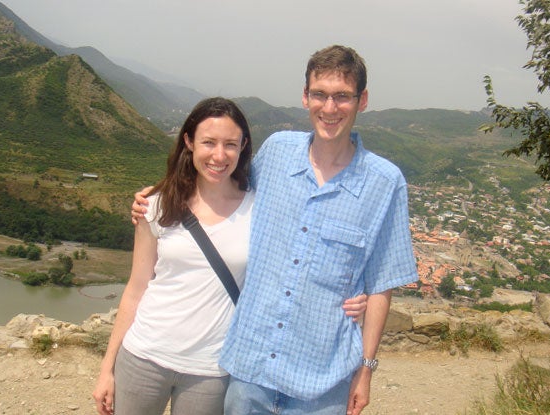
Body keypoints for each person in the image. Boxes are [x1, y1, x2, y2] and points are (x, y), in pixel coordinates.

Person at [132, 45, 416, 415]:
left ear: (362, 101)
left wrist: (366, 370)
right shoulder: (277, 152)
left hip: (322, 385)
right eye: (320, 94)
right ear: (305, 96)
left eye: (342, 96)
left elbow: (380, 285)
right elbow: (219, 181)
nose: (329, 108)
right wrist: (158, 193)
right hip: (250, 373)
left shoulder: (385, 183)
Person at [95, 97, 367, 415]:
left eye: (230, 145)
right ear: (189, 142)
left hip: (211, 370)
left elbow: (301, 255)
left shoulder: (259, 209)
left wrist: (347, 294)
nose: (219, 155)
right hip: (143, 355)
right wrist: (107, 367)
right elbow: (136, 288)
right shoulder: (156, 205)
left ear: (243, 147)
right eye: (208, 142)